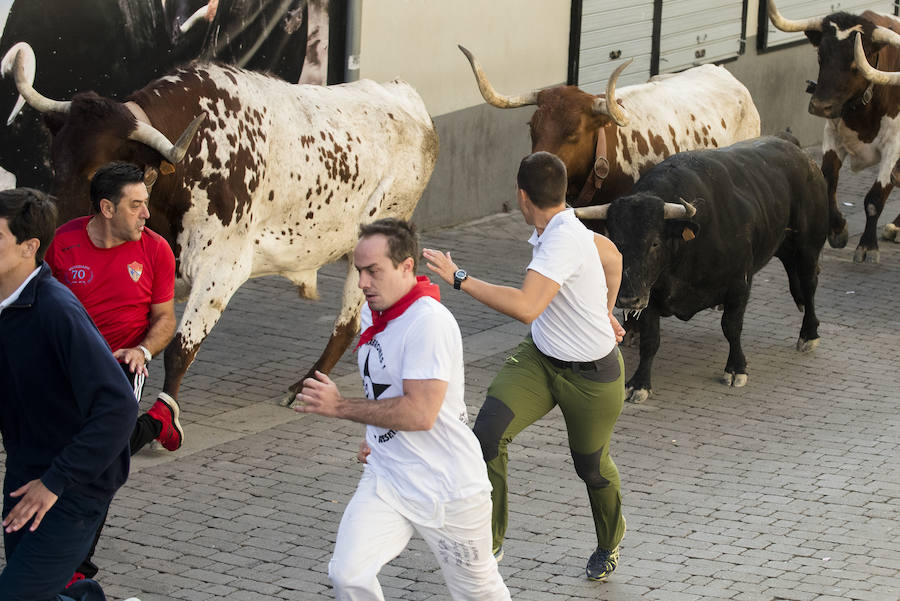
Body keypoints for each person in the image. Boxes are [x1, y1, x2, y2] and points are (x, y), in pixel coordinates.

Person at [423, 150, 628, 581]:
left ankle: (609, 540)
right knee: (487, 437)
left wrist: (460, 278)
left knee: (590, 467)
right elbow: (612, 259)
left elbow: (527, 307)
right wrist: (604, 309)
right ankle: (490, 541)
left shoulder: (561, 239)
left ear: (521, 197)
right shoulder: (564, 226)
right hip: (539, 360)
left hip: (593, 378)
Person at [295, 218, 510, 601]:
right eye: (358, 271)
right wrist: (372, 434)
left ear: (406, 267)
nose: (362, 282)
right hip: (388, 478)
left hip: (448, 489)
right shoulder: (372, 314)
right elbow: (383, 382)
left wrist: (341, 406)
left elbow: (420, 413)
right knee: (348, 575)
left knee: (480, 593)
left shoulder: (429, 324)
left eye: (373, 271)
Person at [43, 161, 183, 583]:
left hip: (121, 365)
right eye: (136, 205)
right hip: (63, 365)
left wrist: (142, 349)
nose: (146, 214)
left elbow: (164, 318)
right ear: (106, 207)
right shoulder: (62, 242)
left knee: (101, 463)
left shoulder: (156, 249)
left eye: (147, 204)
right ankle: (157, 422)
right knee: (61, 448)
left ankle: (76, 568)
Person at [0, 187, 140, 601]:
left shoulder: (55, 310)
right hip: (27, 470)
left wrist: (55, 482)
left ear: (29, 248)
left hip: (78, 483)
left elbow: (118, 407)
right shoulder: (6, 305)